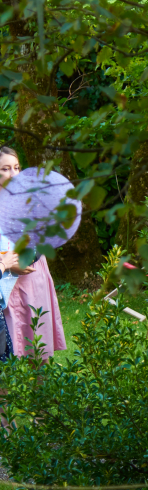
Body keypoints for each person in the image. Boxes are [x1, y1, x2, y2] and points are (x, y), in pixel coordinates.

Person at [0, 147, 66, 359]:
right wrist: (6, 263)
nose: (13, 174)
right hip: (4, 278)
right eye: (5, 169)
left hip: (32, 274)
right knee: (7, 348)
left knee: (38, 346)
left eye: (17, 168)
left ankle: (41, 392)